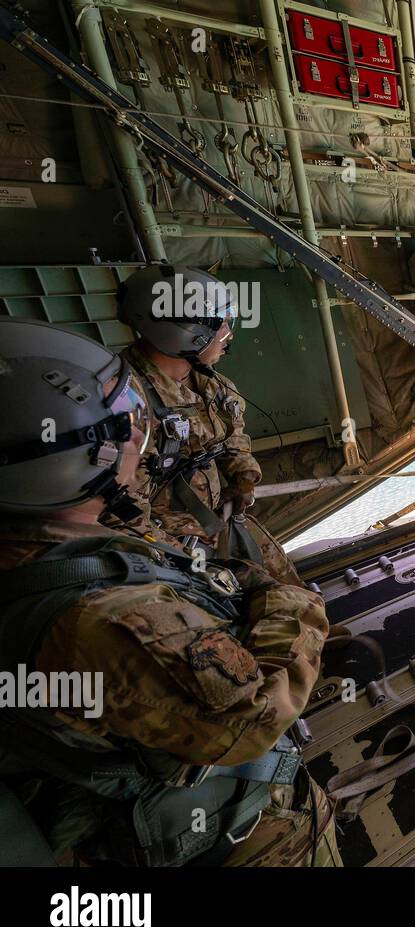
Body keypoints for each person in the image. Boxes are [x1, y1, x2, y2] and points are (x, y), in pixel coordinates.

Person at [0, 318, 338, 866]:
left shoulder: (57, 534)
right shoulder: (107, 622)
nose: (138, 435)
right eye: (122, 428)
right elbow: (252, 722)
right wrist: (293, 605)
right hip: (220, 832)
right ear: (76, 460)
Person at [114, 263, 300, 585]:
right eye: (222, 325)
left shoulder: (210, 384)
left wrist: (243, 476)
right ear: (185, 333)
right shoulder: (127, 408)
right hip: (175, 553)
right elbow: (123, 515)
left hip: (222, 522)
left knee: (292, 592)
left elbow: (233, 436)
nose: (228, 335)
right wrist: (184, 563)